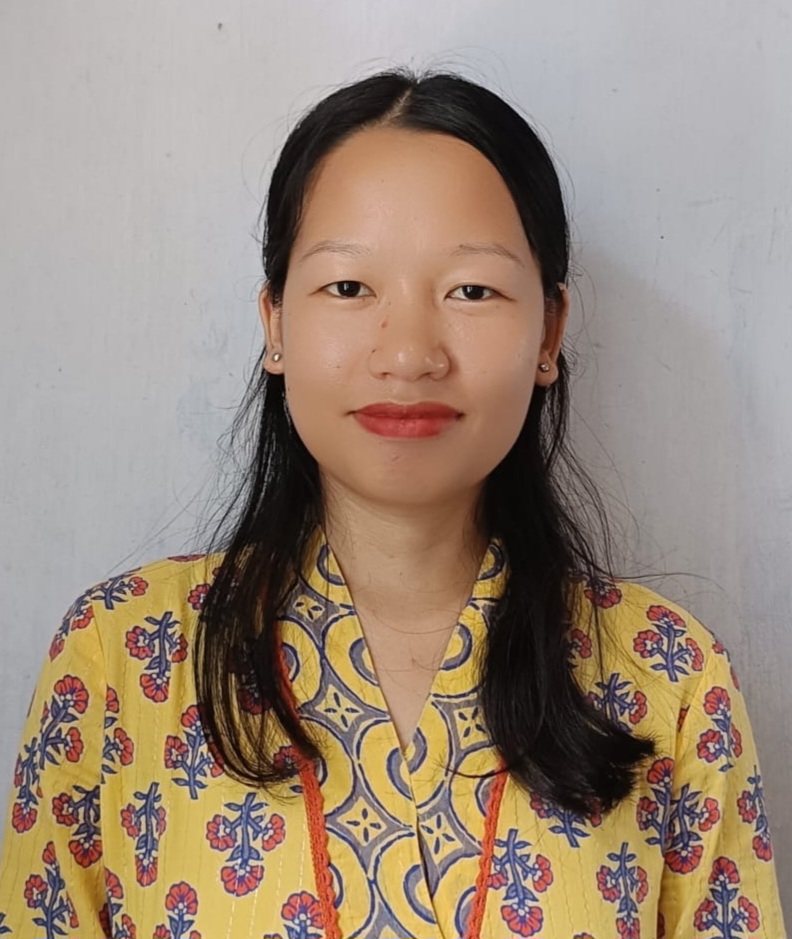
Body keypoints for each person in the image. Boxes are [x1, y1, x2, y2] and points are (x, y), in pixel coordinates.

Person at [0, 67, 786, 939]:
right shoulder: (119, 658)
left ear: (550, 330)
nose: (409, 353)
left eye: (471, 290)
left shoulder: (669, 678)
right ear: (275, 322)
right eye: (348, 287)